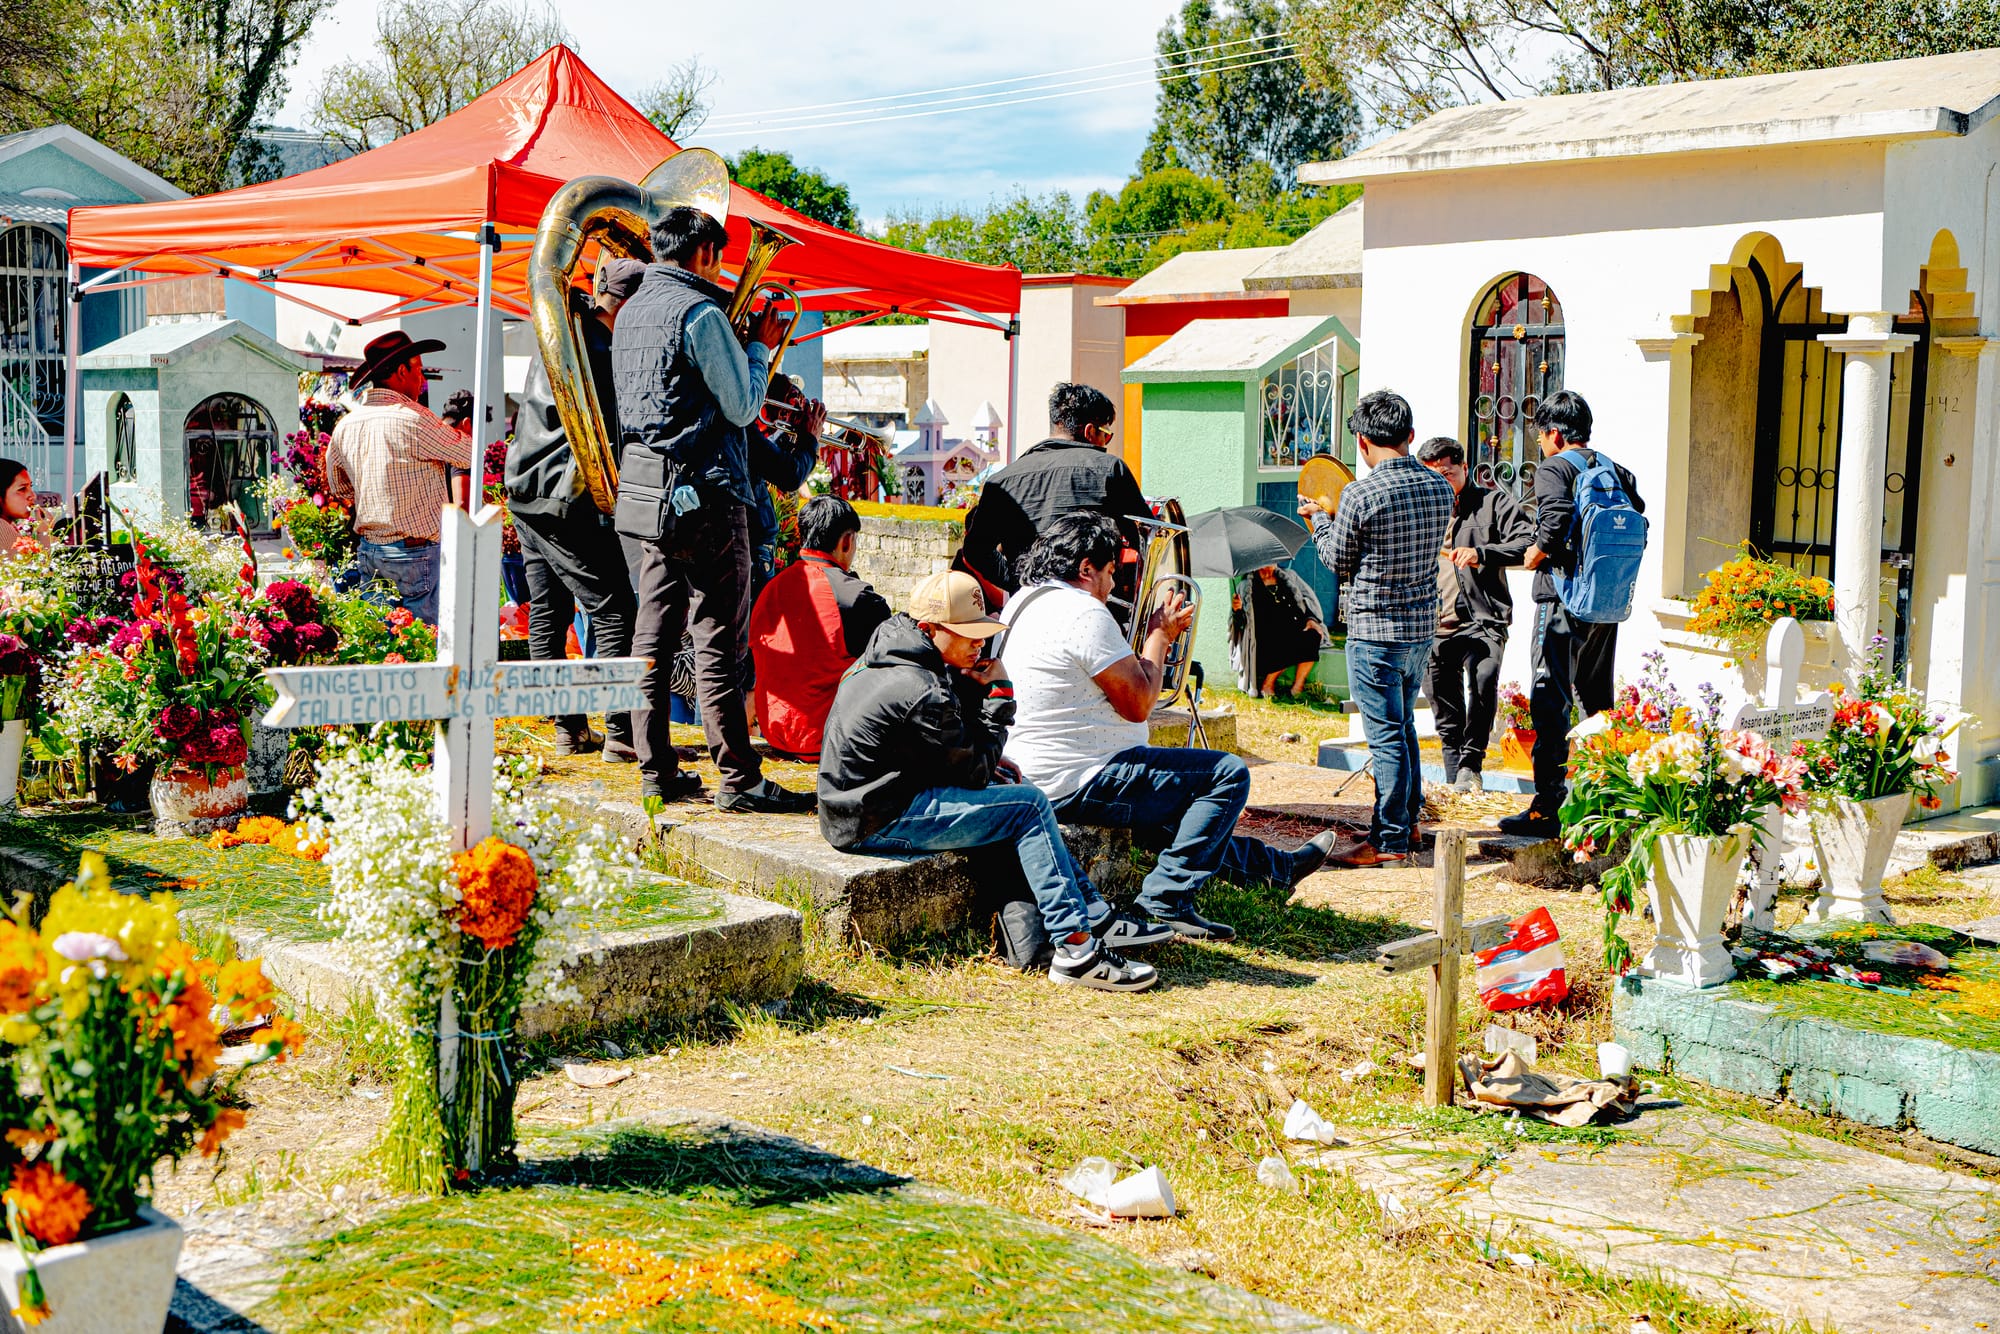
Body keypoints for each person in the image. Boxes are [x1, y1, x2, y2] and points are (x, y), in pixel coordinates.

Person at [1000, 514, 1343, 940]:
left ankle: (1276, 869)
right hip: (1080, 775)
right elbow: (1140, 704)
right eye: (1110, 573)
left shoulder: (1023, 600)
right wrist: (1159, 636)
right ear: (1086, 568)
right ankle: (1167, 899)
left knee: (1181, 819)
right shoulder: (1083, 612)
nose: (1112, 586)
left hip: (1037, 769)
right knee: (1226, 775)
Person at [818, 570, 1162, 992]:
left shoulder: (890, 656)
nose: (978, 643)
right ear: (929, 629)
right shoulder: (921, 688)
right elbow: (975, 767)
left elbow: (942, 753)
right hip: (874, 819)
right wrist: (999, 694)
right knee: (1029, 805)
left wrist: (984, 750)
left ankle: (1082, 920)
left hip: (865, 802)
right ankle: (1077, 947)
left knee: (1014, 797)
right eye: (967, 635)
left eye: (983, 633)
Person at [611, 205, 812, 813]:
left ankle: (657, 770)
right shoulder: (699, 313)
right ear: (703, 254)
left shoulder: (631, 312)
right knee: (718, 638)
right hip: (705, 491)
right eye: (721, 256)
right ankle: (740, 778)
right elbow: (746, 406)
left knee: (653, 632)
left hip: (646, 489)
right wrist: (757, 346)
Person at [1300, 391, 1454, 868]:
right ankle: (1407, 820)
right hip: (1420, 626)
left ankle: (1388, 839)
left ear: (1362, 443)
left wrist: (1320, 521)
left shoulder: (1359, 494)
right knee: (1403, 725)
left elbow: (1335, 559)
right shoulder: (1440, 487)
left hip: (1374, 630)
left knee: (1386, 735)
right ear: (1410, 436)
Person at [507, 257, 649, 760]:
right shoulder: (603, 349)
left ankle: (569, 730)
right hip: (565, 497)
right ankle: (618, 732)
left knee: (548, 611)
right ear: (628, 306)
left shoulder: (563, 331)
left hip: (525, 489)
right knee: (615, 611)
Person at [1499, 391, 1646, 839]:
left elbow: (1557, 515)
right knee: (1598, 701)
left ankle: (1548, 807)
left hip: (1561, 599)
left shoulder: (1554, 467)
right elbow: (1637, 516)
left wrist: (1538, 551)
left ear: (1555, 434)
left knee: (1550, 699)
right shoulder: (1616, 470)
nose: (1541, 444)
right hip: (1605, 603)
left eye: (1541, 436)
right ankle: (1611, 802)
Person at [958, 383, 1152, 600]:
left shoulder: (1001, 480)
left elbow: (976, 550)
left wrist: (1020, 582)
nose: (1106, 443)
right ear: (1090, 431)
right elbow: (1147, 540)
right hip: (1091, 608)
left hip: (1026, 610)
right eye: (1106, 434)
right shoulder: (1109, 468)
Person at [325, 330, 468, 624]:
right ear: (402, 371)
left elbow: (338, 486)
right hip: (415, 552)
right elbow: (468, 454)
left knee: (381, 643)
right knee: (422, 643)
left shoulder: (346, 425)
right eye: (419, 369)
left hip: (370, 550)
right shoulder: (414, 417)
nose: (422, 379)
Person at [1417, 437, 1533, 793]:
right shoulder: (1419, 511)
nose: (1441, 481)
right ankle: (1458, 780)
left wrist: (1482, 553)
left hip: (1484, 619)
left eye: (1448, 473)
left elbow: (1527, 542)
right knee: (1444, 706)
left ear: (1464, 469)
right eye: (1433, 475)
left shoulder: (1493, 502)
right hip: (1433, 626)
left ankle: (1472, 764)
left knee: (1483, 682)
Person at [749, 496, 892, 761]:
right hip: (827, 738)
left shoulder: (770, 589)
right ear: (846, 542)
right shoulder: (857, 598)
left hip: (776, 732)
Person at [1229, 564, 1327, 698]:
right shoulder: (1246, 586)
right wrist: (1237, 609)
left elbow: (1307, 599)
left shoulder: (1289, 576)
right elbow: (1239, 624)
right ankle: (1268, 684)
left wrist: (1310, 619)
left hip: (1293, 628)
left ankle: (1298, 686)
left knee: (1313, 635)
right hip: (1266, 635)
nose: (1272, 565)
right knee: (1282, 640)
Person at [0, 458, 37, 557]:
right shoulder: (1, 526)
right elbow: (34, 570)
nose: (32, 496)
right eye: (22, 489)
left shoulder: (7, 524)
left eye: (30, 487)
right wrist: (44, 532)